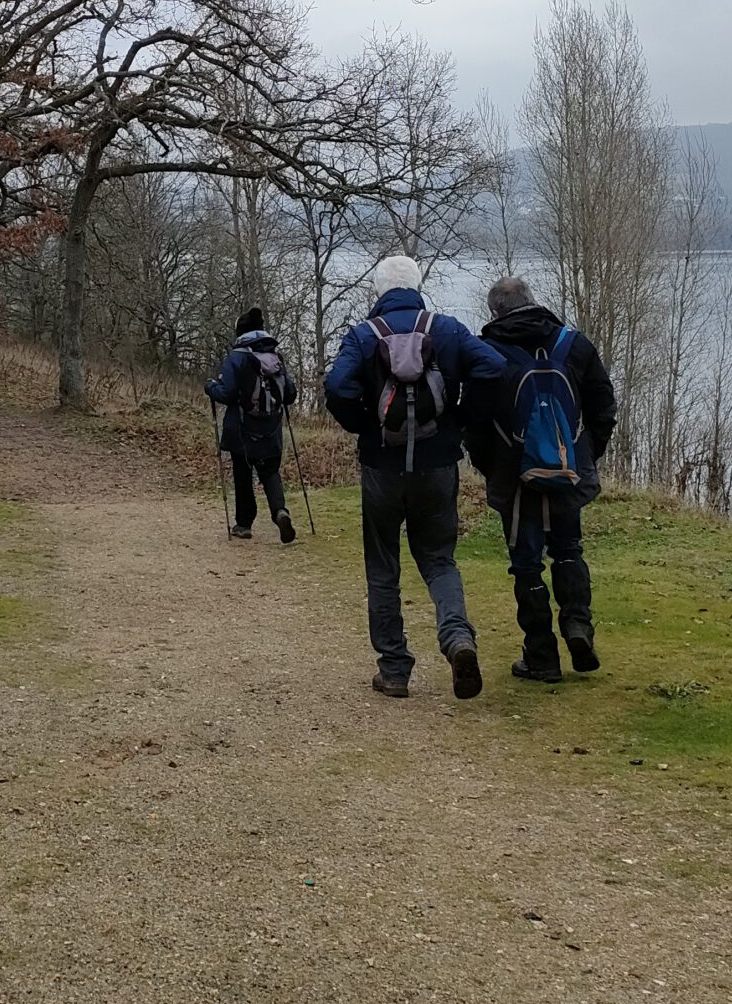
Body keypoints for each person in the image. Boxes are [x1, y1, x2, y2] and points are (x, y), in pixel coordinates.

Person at [324, 252, 507, 700]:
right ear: (417, 285)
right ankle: (457, 638)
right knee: (440, 560)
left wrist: (365, 425)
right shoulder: (447, 329)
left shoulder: (363, 335)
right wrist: (460, 418)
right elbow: (494, 366)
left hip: (382, 468)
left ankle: (394, 670)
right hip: (438, 465)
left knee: (383, 568)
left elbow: (337, 386)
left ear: (379, 290)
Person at [461, 274, 616, 683]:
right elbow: (604, 406)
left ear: (495, 311)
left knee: (526, 564)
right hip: (568, 470)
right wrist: (583, 455)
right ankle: (578, 626)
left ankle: (542, 655)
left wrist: (493, 467)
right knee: (569, 549)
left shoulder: (486, 353)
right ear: (533, 300)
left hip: (515, 479)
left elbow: (472, 422)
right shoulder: (573, 344)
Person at [206, 306, 298, 543]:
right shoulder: (275, 356)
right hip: (271, 429)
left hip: (242, 429)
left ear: (240, 332)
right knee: (270, 472)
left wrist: (211, 387)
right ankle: (280, 511)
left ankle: (244, 524)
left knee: (243, 473)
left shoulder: (237, 357)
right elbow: (289, 394)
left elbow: (226, 393)